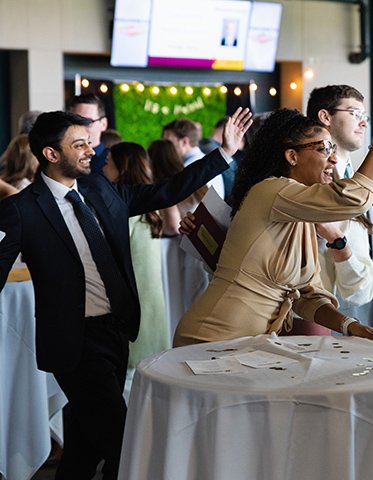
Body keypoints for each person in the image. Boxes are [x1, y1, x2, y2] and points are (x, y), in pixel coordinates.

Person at [0, 107, 251, 479]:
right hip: (74, 342)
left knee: (84, 448)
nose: (90, 151)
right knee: (125, 443)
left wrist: (225, 154)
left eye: (89, 143)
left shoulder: (98, 189)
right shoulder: (21, 209)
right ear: (51, 154)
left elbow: (166, 190)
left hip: (116, 333)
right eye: (79, 144)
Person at [173, 77, 373, 346]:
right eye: (324, 149)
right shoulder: (270, 191)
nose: (334, 158)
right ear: (292, 156)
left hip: (252, 344)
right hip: (212, 337)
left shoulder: (299, 213)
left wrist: (349, 326)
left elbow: (307, 296)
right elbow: (358, 197)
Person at [306, 84, 373, 324]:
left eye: (364, 116)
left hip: (359, 303)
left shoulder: (352, 175)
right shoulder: (311, 181)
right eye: (354, 113)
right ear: (325, 116)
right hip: (320, 311)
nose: (363, 123)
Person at [102, 141, 168, 402]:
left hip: (135, 307)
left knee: (130, 386)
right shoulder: (149, 206)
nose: (103, 168)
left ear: (122, 169)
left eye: (107, 163)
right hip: (151, 305)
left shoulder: (125, 210)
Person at [147, 138, 209, 341]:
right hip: (206, 248)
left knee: (185, 305)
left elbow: (173, 225)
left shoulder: (167, 186)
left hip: (185, 251)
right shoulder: (195, 181)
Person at [163, 117, 225, 199]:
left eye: (168, 142)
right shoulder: (206, 161)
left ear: (184, 142)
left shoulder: (187, 169)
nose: (164, 147)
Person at [199, 116, 244, 201]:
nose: (240, 140)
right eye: (240, 135)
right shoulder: (222, 154)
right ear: (228, 130)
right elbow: (232, 189)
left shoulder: (199, 145)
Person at [68, 93, 109, 173]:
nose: (81, 127)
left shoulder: (113, 162)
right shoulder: (63, 161)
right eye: (76, 121)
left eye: (88, 121)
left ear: (103, 124)